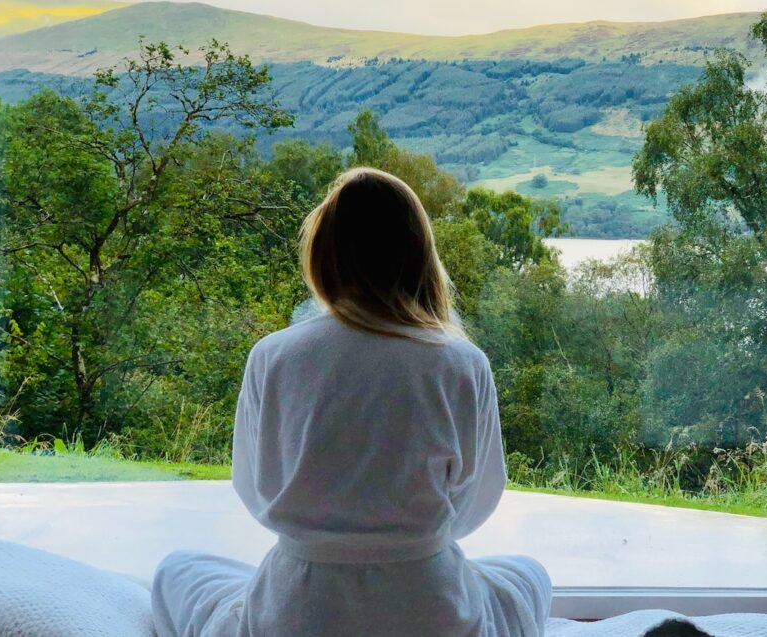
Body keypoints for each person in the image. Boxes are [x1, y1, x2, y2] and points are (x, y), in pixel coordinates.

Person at [151, 167, 552, 636]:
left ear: (323, 256)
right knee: (529, 575)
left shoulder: (274, 356)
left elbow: (255, 489)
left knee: (178, 570)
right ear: (420, 254)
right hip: (431, 612)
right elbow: (473, 505)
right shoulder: (463, 363)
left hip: (296, 612)